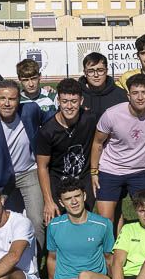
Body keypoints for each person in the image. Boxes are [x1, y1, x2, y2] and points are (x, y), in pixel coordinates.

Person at [0, 80, 46, 246]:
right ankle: (3, 255)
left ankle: (37, 257)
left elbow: (50, 119)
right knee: (2, 221)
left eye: (12, 99)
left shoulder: (30, 111)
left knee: (36, 219)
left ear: (19, 100)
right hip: (0, 179)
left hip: (29, 172)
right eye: (2, 98)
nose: (7, 103)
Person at [90, 73, 145, 227]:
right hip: (110, 169)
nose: (140, 97)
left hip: (139, 171)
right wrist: (94, 172)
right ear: (128, 95)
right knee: (105, 221)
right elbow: (97, 143)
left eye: (144, 92)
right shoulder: (111, 115)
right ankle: (111, 243)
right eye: (135, 93)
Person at [35, 78, 98, 219]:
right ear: (58, 101)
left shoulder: (90, 120)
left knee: (85, 219)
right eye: (65, 101)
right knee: (59, 221)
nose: (69, 106)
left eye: (74, 101)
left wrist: (95, 172)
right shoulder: (47, 131)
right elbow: (42, 167)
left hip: (84, 178)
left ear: (81, 101)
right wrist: (48, 201)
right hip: (58, 180)